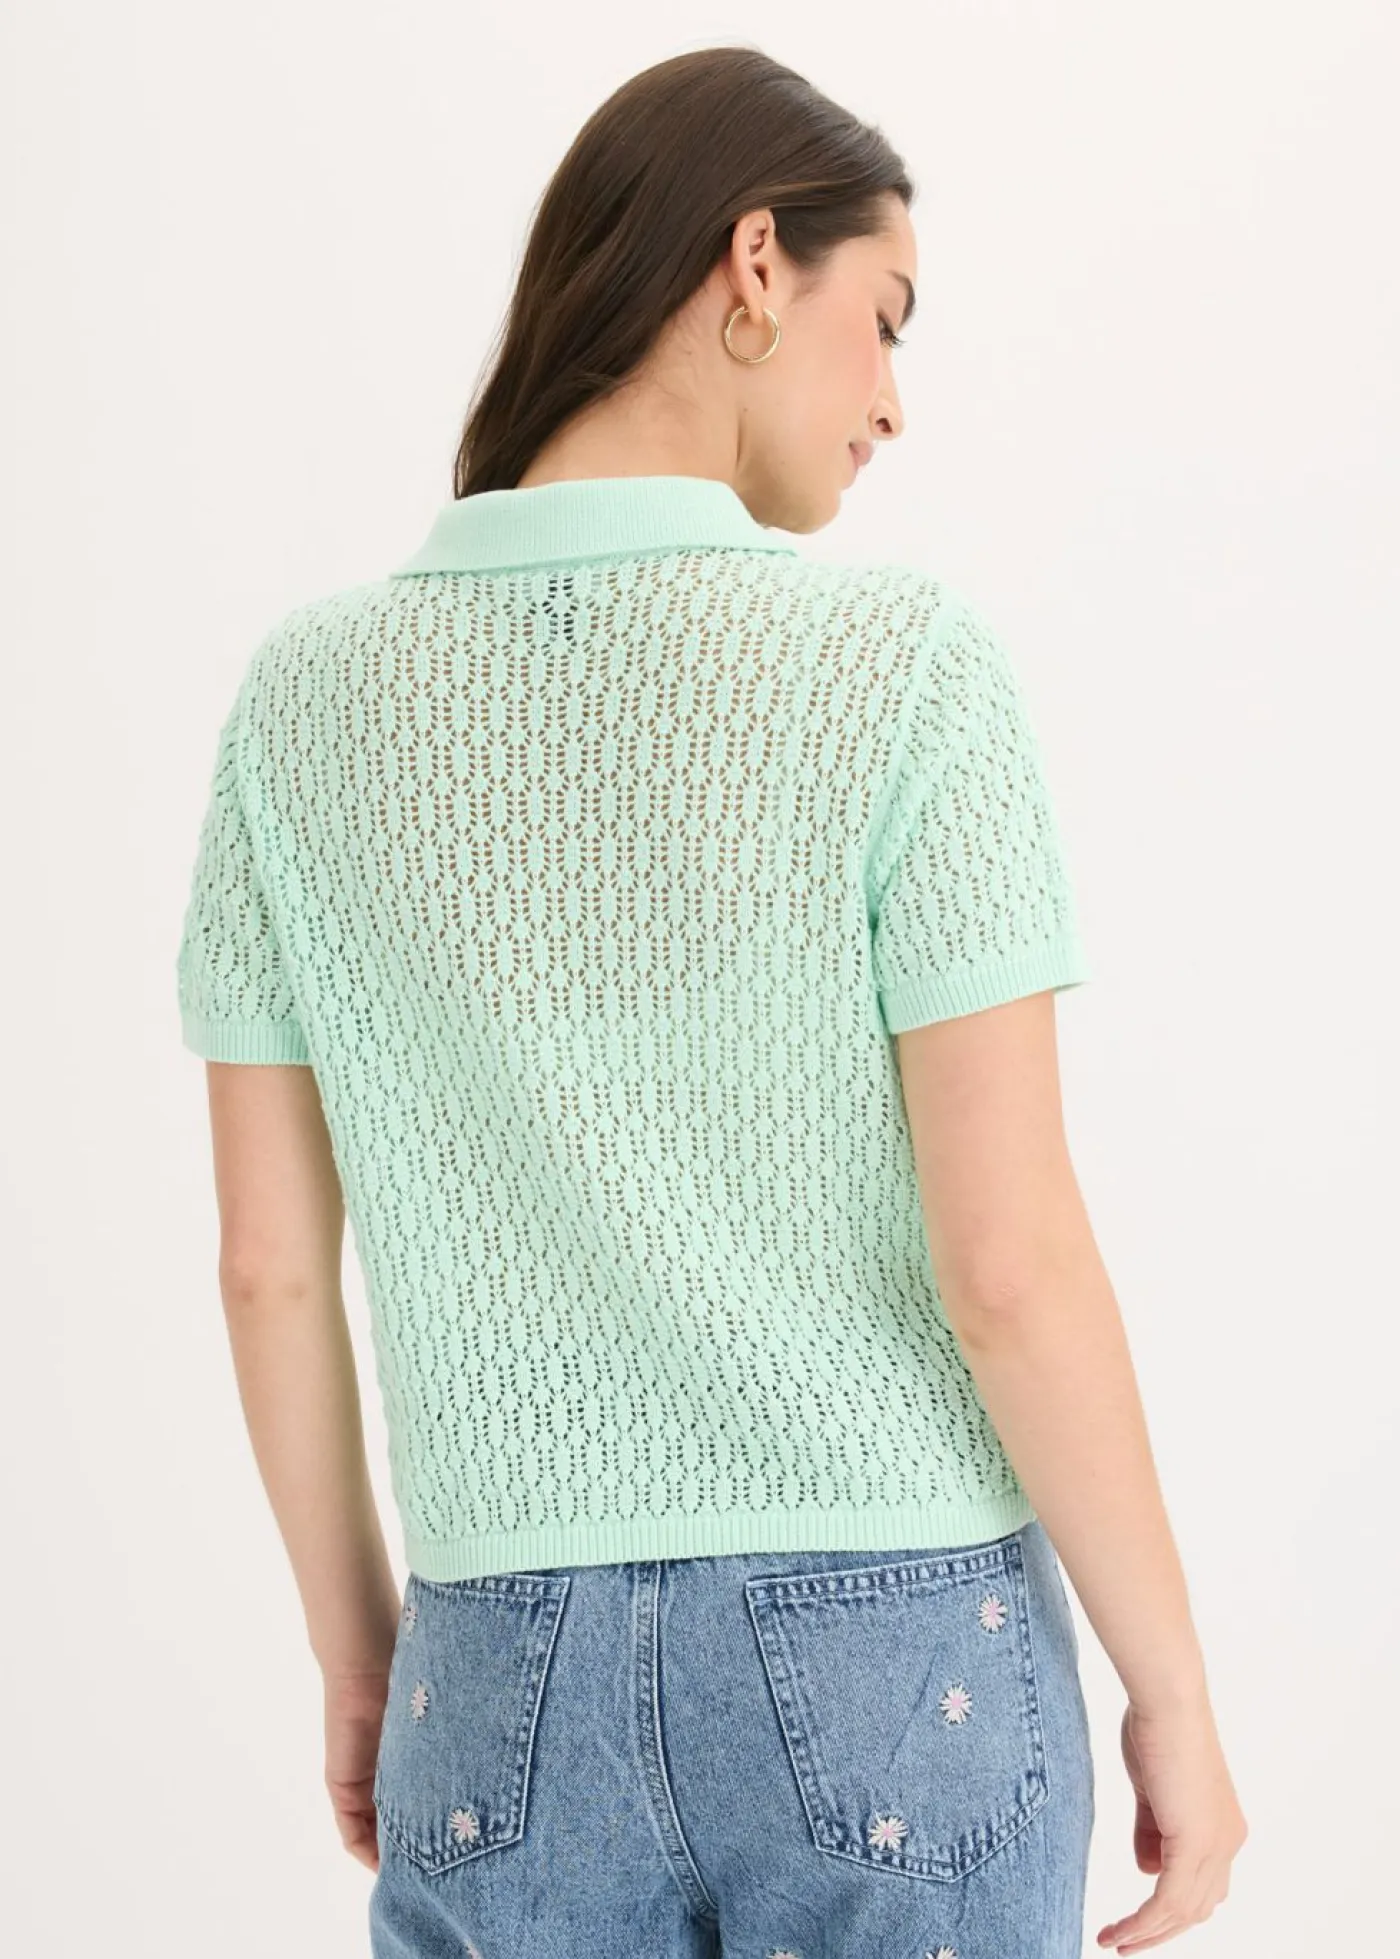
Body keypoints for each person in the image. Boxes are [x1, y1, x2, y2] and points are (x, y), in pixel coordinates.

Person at [174, 42, 1246, 1959]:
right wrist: (1172, 1681)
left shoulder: (300, 706)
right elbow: (1008, 1267)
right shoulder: (903, 667)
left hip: (494, 1664)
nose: (894, 399)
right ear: (758, 262)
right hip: (898, 1639)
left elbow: (268, 1269)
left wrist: (363, 1652)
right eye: (884, 317)